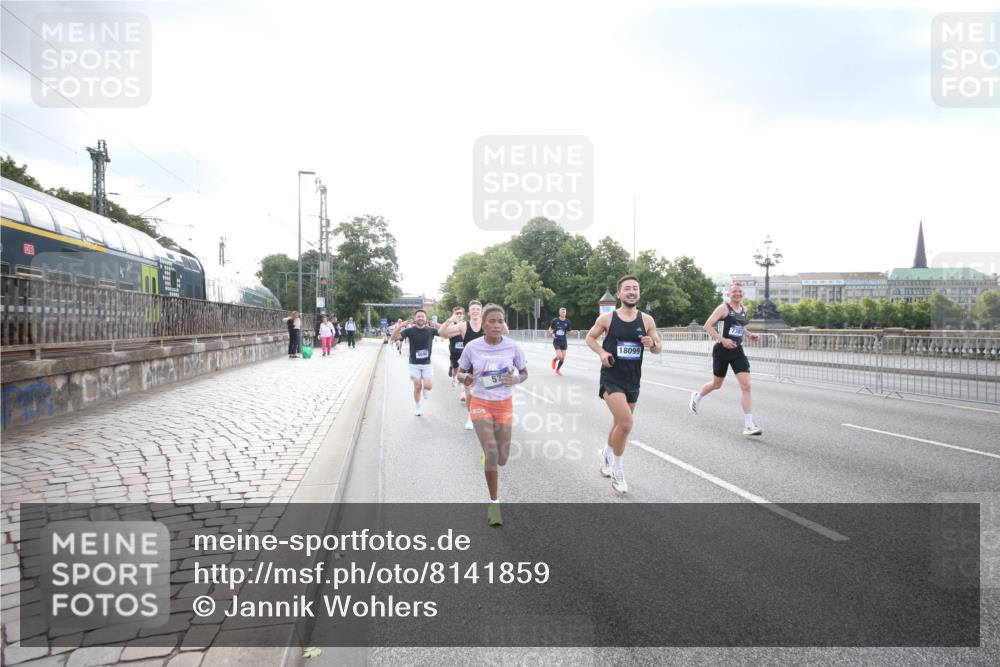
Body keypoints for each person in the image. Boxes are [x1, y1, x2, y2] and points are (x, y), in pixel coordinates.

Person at [585, 275, 661, 495]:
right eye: (627, 288)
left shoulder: (647, 320)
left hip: (633, 379)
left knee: (619, 423)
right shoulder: (608, 319)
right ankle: (617, 471)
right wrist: (601, 352)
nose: (631, 292)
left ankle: (607, 454)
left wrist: (652, 343)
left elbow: (658, 348)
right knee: (626, 423)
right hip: (611, 378)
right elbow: (590, 338)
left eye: (635, 288)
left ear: (639, 293)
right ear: (619, 294)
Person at [456, 304, 528, 526]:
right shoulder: (472, 347)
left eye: (500, 321)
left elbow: (524, 373)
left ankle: (490, 458)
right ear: (484, 325)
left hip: (504, 404)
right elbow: (460, 372)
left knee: (503, 458)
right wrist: (464, 378)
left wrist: (514, 379)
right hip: (480, 403)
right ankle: (494, 504)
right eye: (492, 321)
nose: (497, 325)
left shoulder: (513, 347)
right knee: (491, 451)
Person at [689, 283, 763, 436]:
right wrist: (723, 340)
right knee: (717, 384)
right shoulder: (723, 308)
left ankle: (749, 425)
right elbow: (707, 326)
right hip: (722, 350)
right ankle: (698, 396)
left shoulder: (743, 309)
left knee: (746, 385)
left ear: (743, 294)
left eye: (739, 291)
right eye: (734, 291)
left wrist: (750, 335)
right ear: (729, 294)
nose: (737, 294)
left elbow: (740, 327)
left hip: (737, 350)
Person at [438, 300, 508, 430]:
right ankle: (471, 417)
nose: (475, 311)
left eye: (478, 309)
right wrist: (450, 319)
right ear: (469, 312)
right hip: (470, 364)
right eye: (473, 309)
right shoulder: (463, 326)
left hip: (488, 364)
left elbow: (505, 332)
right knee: (469, 394)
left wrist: (499, 318)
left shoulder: (488, 324)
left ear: (481, 312)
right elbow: (442, 333)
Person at [390, 310, 439, 416]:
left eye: (422, 316)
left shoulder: (431, 330)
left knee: (428, 386)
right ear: (415, 318)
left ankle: (426, 389)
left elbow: (445, 333)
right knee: (417, 386)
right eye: (418, 316)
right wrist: (401, 326)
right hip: (414, 363)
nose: (420, 318)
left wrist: (437, 324)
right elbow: (393, 337)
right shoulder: (409, 330)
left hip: (426, 364)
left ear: (425, 318)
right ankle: (417, 407)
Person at [442, 306, 467, 389]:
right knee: (455, 367)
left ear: (463, 315)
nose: (459, 315)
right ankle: (453, 377)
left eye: (461, 313)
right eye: (457, 313)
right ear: (453, 314)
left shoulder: (466, 324)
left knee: (463, 366)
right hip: (454, 348)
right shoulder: (451, 324)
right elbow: (445, 334)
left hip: (464, 349)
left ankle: (461, 382)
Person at [547, 307, 575, 376]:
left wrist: (572, 333)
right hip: (556, 340)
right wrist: (552, 333)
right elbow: (550, 328)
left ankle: (557, 370)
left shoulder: (568, 322)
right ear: (559, 313)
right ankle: (554, 360)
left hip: (564, 341)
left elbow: (568, 331)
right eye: (562, 312)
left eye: (564, 312)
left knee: (563, 358)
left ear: (566, 313)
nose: (563, 313)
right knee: (560, 356)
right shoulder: (555, 321)